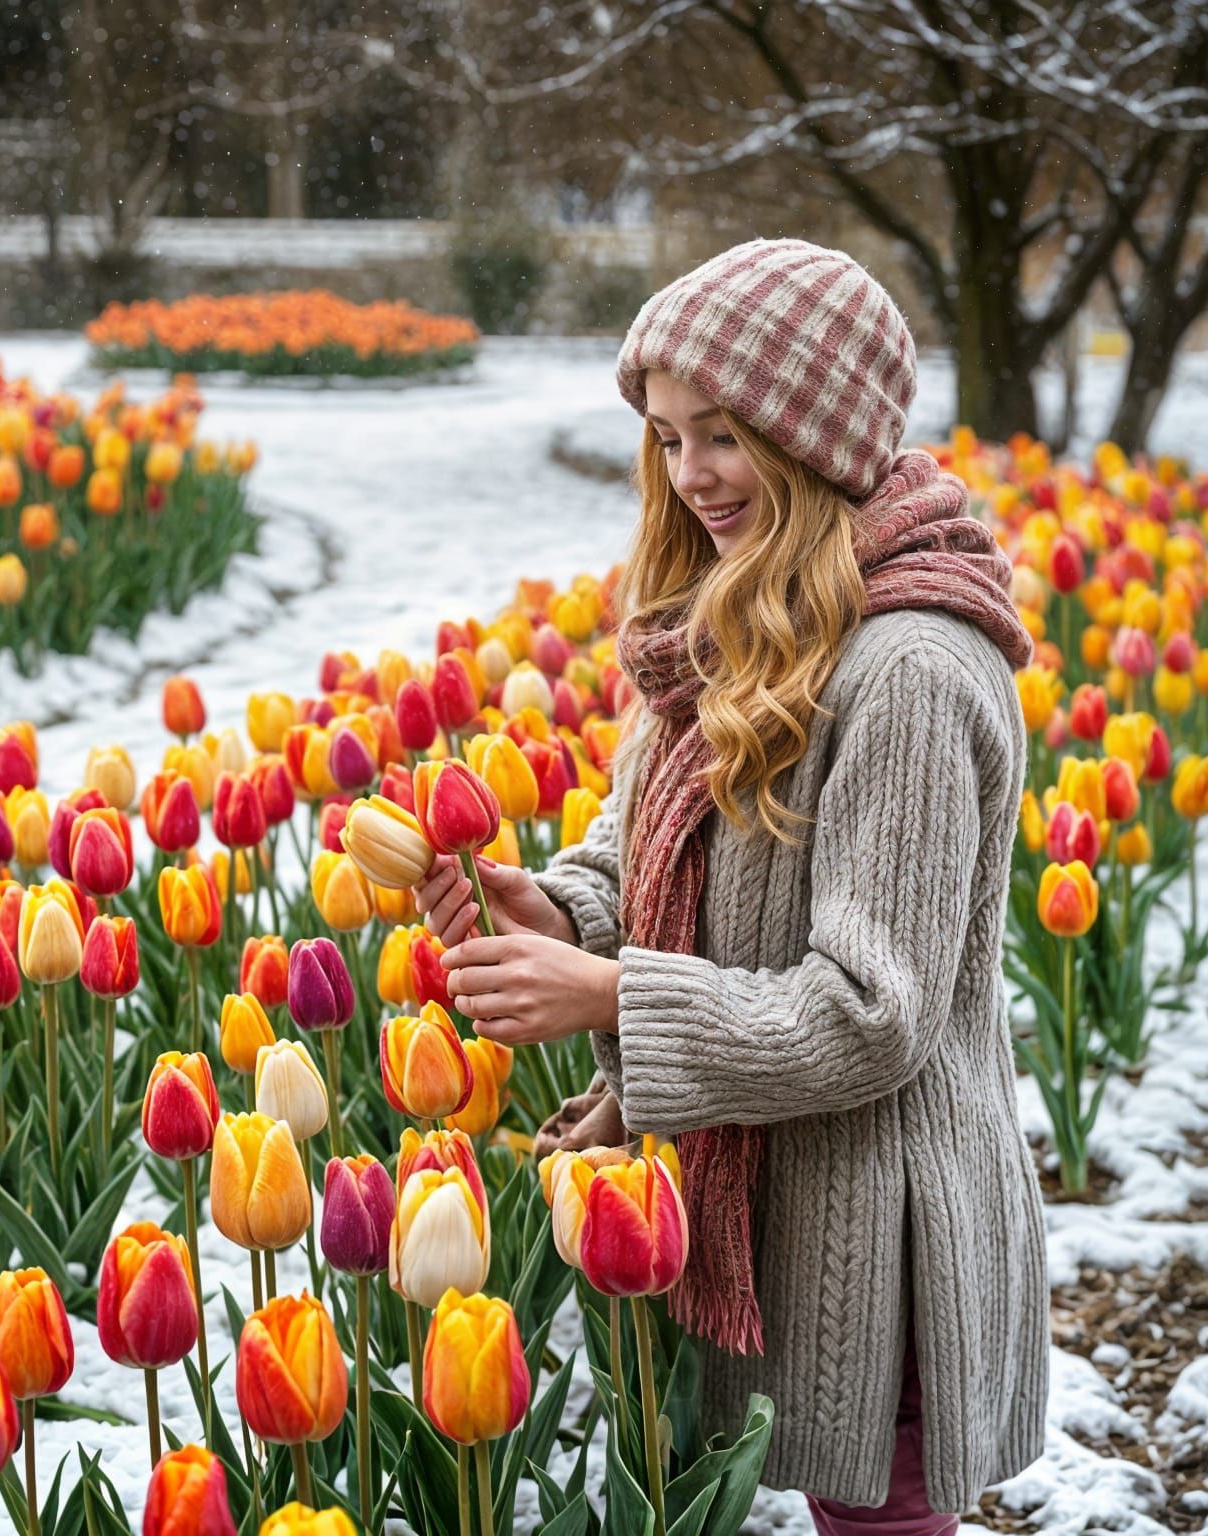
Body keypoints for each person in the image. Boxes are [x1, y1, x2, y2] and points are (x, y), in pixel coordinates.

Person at [413, 237, 1049, 1533]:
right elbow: (652, 846)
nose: (689, 474)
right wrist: (567, 909)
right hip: (778, 1212)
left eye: (723, 435)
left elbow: (873, 1014)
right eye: (665, 437)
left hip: (885, 1252)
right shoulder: (740, 617)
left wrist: (607, 994)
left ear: (813, 434)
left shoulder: (909, 672)